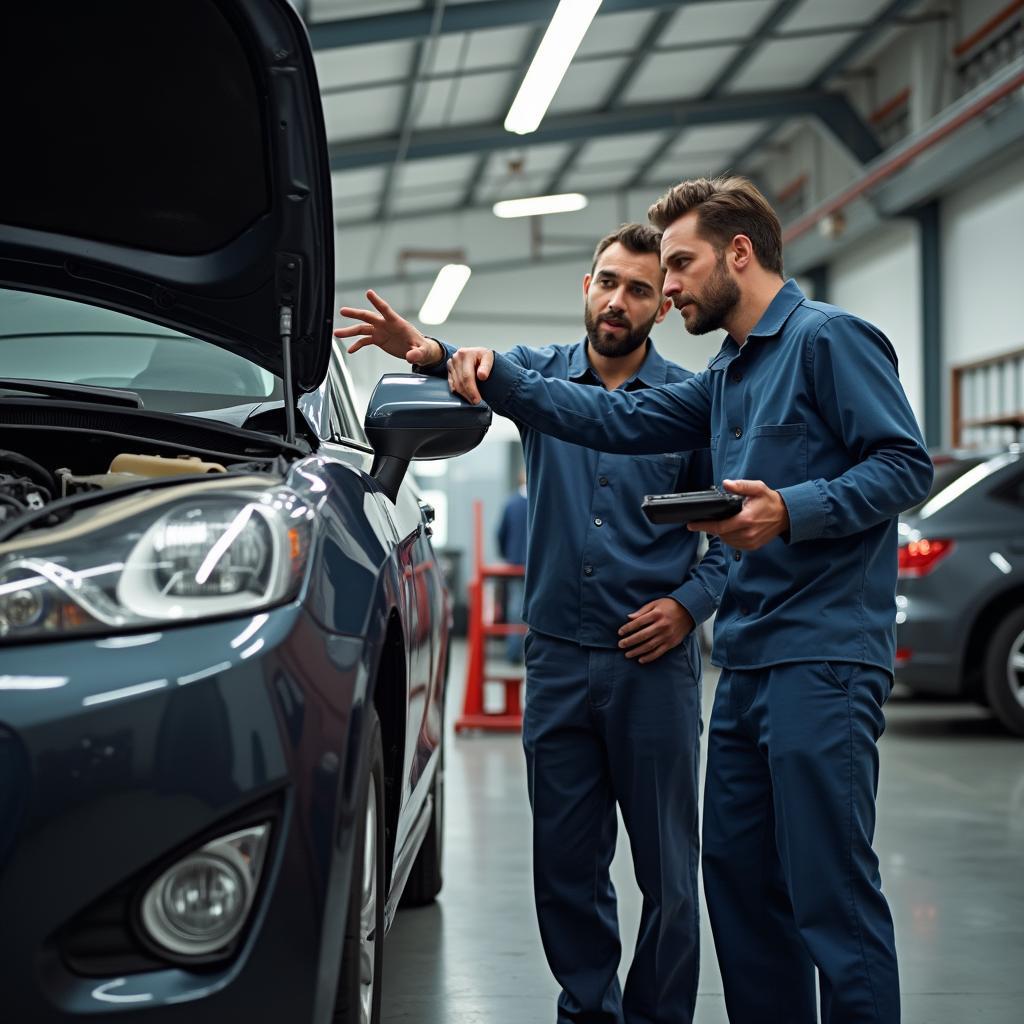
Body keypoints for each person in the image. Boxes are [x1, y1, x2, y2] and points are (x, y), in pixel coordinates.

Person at [432, 177, 935, 1024]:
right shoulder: (729, 377)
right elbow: (610, 421)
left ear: (739, 254)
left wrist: (791, 509)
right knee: (740, 889)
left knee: (829, 896)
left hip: (823, 660)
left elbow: (903, 465)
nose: (666, 289)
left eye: (677, 266)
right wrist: (472, 366)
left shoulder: (829, 340)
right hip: (742, 664)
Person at [336, 224, 727, 1024]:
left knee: (669, 873)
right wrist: (432, 352)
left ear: (662, 306)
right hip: (555, 661)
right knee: (566, 866)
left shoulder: (693, 405)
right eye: (608, 281)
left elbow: (729, 534)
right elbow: (481, 373)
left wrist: (687, 607)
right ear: (585, 286)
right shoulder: (542, 375)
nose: (619, 300)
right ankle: (587, 1013)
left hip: (653, 664)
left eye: (641, 289)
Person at [497, 469, 528, 662]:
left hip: (515, 563)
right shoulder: (543, 500)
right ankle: (528, 652)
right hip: (540, 565)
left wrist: (507, 555)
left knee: (516, 607)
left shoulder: (511, 503)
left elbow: (501, 533)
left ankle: (513, 652)